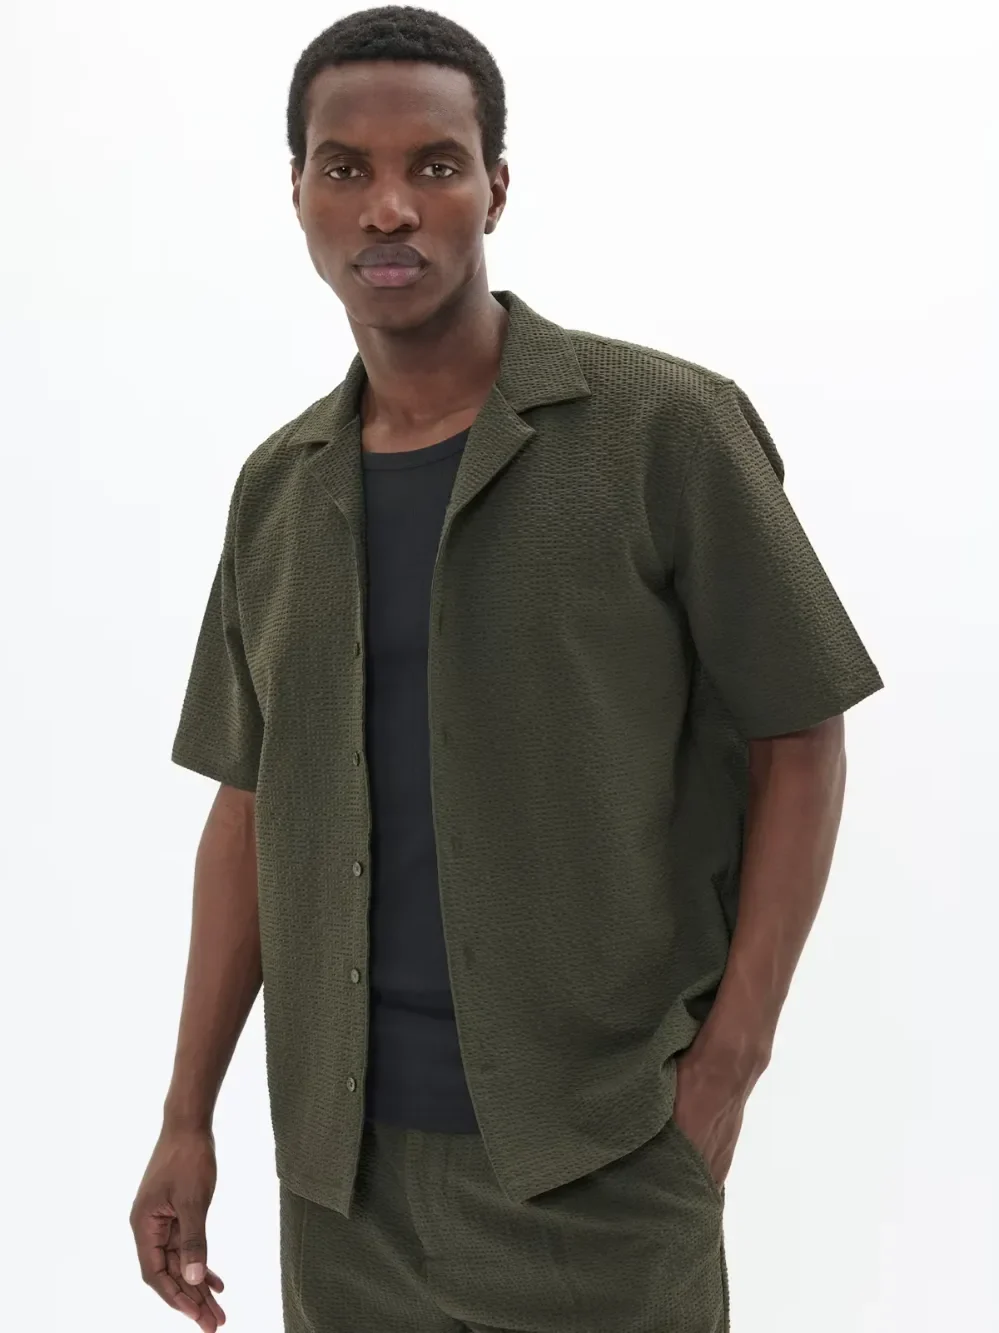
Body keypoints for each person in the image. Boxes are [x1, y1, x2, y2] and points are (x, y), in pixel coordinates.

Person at [129, 7, 884, 1331]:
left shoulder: (662, 429)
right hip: (340, 1188)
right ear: (297, 192)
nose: (389, 208)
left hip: (597, 1162)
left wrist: (726, 1069)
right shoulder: (279, 489)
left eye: (434, 165)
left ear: (496, 187)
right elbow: (247, 808)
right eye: (345, 168)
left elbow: (799, 734)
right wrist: (185, 1116)